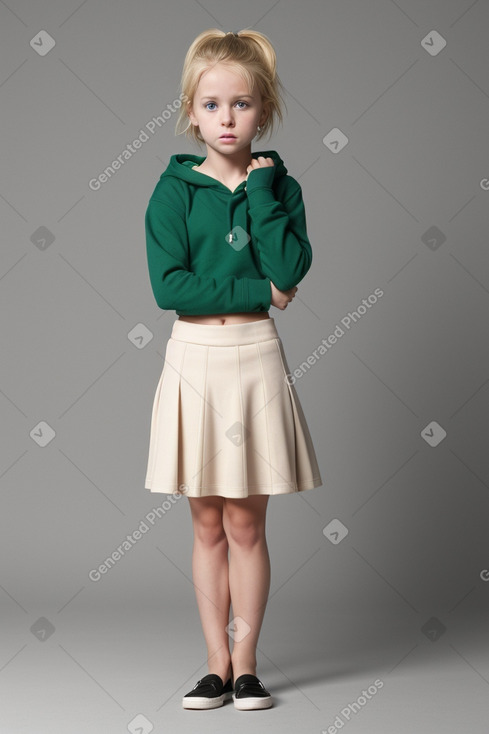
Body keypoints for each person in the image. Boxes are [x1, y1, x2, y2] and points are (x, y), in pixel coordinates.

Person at [144, 27, 323, 711]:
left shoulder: (281, 187)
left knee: (248, 525)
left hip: (254, 358)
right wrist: (262, 293)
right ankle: (214, 665)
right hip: (194, 359)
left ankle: (246, 665)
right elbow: (171, 289)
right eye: (212, 105)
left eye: (242, 105)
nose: (227, 119)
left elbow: (290, 268)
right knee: (207, 526)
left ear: (263, 110)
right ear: (191, 112)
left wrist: (263, 192)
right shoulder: (171, 192)